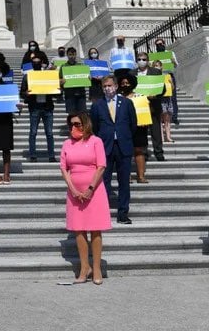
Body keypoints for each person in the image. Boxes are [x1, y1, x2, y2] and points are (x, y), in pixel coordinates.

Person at [59, 111, 110, 285]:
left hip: (94, 191)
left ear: (86, 124)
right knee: (79, 230)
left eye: (77, 124)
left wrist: (90, 188)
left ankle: (96, 269)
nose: (74, 127)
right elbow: (64, 168)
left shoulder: (96, 141)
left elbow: (101, 166)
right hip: (75, 193)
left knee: (96, 230)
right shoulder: (67, 144)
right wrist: (72, 189)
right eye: (71, 124)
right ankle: (84, 267)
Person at [90, 75, 137, 224]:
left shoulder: (127, 103)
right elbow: (95, 128)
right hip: (106, 147)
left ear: (116, 86)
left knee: (124, 182)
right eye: (104, 86)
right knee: (104, 181)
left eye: (110, 85)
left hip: (123, 146)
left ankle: (123, 213)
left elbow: (133, 124)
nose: (107, 88)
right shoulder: (97, 105)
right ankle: (102, 211)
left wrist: (125, 137)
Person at [130, 52, 165, 161]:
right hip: (139, 107)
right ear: (136, 61)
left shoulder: (156, 72)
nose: (142, 61)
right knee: (141, 131)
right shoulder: (132, 73)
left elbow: (162, 89)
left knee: (156, 131)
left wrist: (156, 94)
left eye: (144, 59)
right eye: (139, 59)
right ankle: (143, 153)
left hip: (153, 105)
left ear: (148, 60)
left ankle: (158, 152)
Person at [21, 54, 56, 162]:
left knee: (49, 133)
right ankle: (32, 155)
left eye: (38, 62)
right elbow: (21, 93)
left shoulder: (48, 76)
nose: (36, 64)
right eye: (34, 62)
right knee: (33, 132)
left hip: (47, 107)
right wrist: (26, 93)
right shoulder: (27, 76)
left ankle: (51, 155)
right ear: (32, 64)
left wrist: (59, 86)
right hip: (34, 107)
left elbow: (56, 93)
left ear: (41, 63)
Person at [117, 74, 149, 184]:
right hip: (123, 128)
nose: (125, 85)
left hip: (139, 128)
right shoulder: (118, 98)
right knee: (125, 153)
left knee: (139, 151)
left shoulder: (140, 96)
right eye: (123, 83)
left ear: (132, 83)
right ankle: (127, 176)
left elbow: (146, 110)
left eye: (127, 83)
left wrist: (145, 119)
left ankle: (141, 176)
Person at [154, 38, 180, 125]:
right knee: (160, 97)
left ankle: (174, 117)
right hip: (160, 77)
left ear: (164, 44)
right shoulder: (155, 56)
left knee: (173, 97)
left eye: (160, 44)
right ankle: (162, 117)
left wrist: (173, 61)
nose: (159, 46)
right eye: (157, 45)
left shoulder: (170, 53)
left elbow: (176, 65)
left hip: (169, 76)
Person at [59, 47, 88, 114]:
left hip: (80, 94)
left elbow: (85, 77)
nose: (72, 56)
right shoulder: (63, 66)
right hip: (69, 94)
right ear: (67, 55)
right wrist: (61, 81)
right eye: (70, 55)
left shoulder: (81, 66)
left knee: (82, 114)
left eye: (74, 55)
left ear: (76, 55)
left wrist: (88, 78)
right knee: (72, 114)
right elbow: (59, 79)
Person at [154, 60, 175, 143]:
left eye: (158, 65)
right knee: (159, 119)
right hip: (159, 99)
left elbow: (172, 88)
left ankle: (168, 137)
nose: (157, 67)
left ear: (161, 66)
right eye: (155, 66)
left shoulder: (167, 75)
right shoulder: (153, 77)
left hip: (168, 99)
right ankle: (161, 138)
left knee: (167, 119)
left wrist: (171, 83)